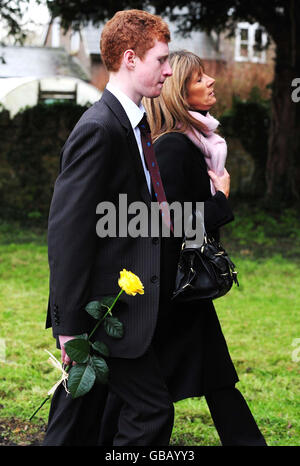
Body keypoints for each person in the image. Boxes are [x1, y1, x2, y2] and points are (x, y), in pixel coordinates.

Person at [97, 50, 268, 447]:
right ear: (178, 92)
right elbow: (168, 223)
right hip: (172, 293)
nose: (211, 82)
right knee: (182, 385)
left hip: (176, 292)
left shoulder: (191, 143)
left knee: (206, 381)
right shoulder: (175, 146)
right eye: (198, 78)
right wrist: (221, 201)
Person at [43, 9, 175, 446]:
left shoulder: (135, 125)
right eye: (162, 59)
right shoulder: (100, 128)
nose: (169, 69)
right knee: (151, 411)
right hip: (104, 312)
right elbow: (68, 232)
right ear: (132, 59)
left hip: (131, 308)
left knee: (84, 418)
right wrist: (69, 325)